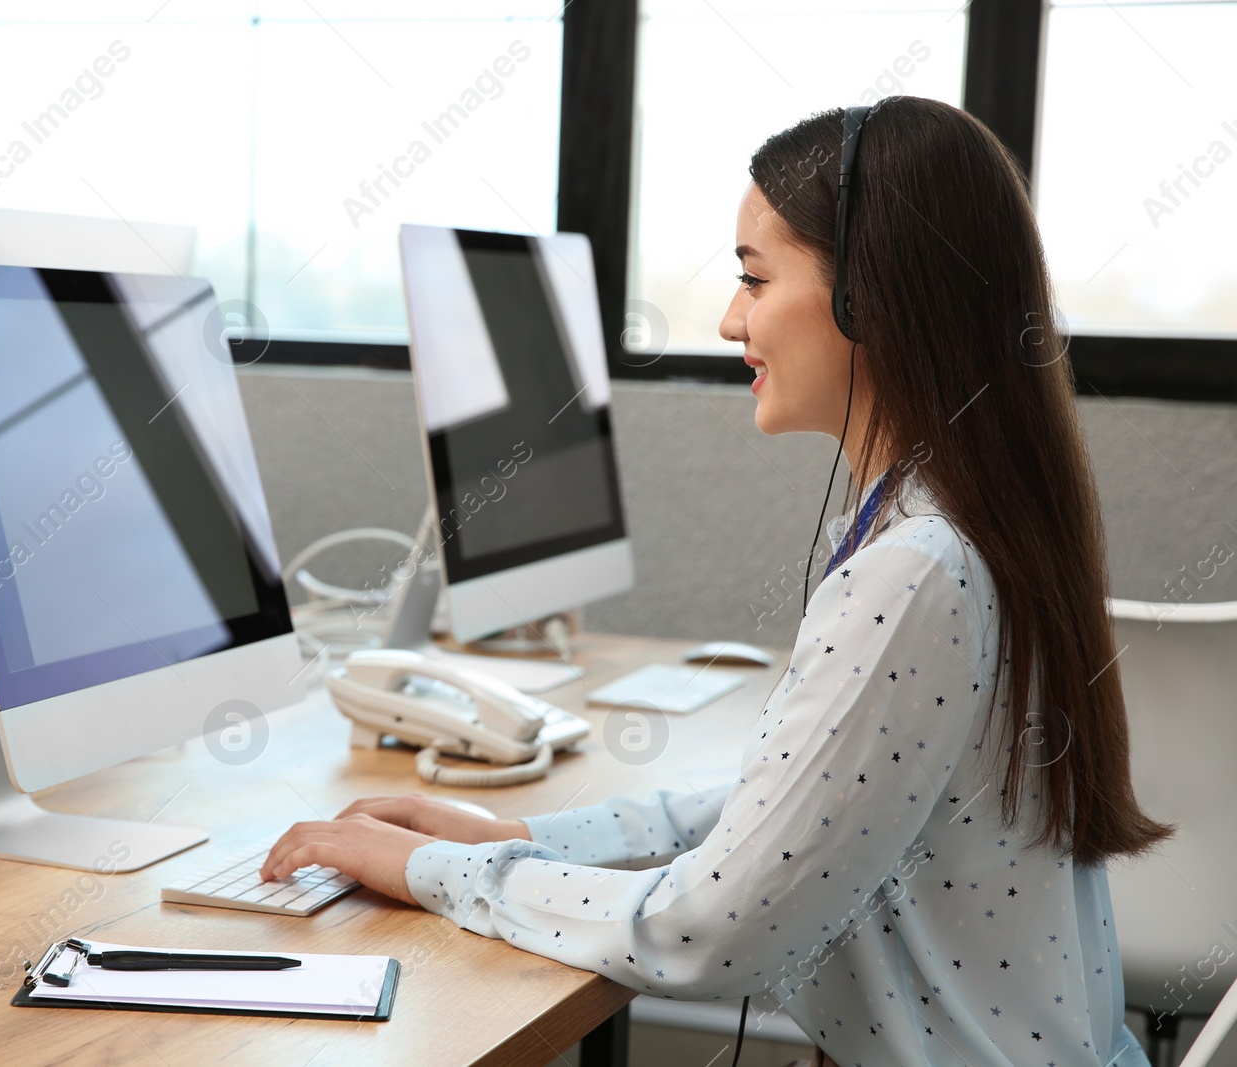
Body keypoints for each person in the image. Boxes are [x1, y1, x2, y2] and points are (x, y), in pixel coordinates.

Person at [260, 96, 1169, 1066]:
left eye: (753, 278)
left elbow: (705, 927)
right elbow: (774, 811)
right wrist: (519, 827)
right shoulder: (949, 518)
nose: (733, 317)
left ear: (870, 294)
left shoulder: (915, 570)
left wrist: (442, 868)